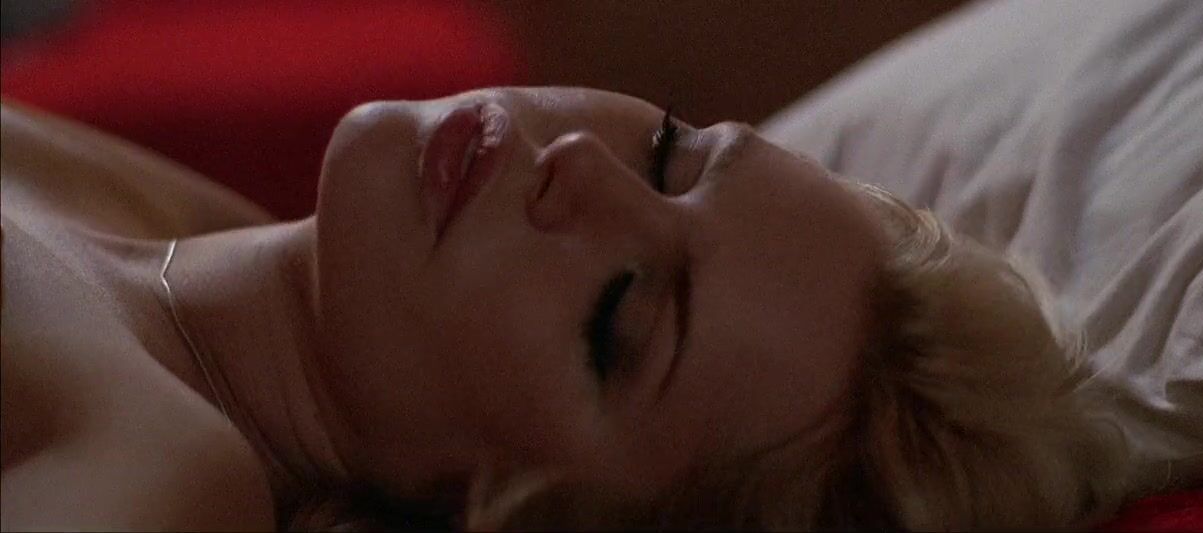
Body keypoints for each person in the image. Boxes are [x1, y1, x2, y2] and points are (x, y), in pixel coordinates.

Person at [0, 87, 1124, 531]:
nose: (581, 163)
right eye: (672, 153)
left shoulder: (160, 475)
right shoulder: (168, 220)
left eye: (617, 316)